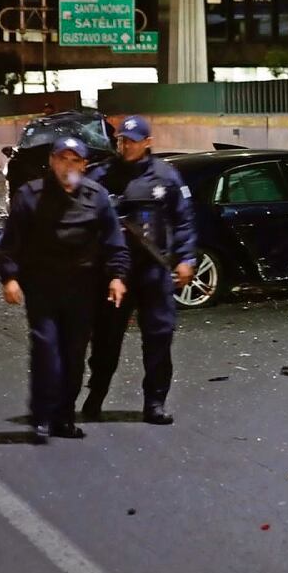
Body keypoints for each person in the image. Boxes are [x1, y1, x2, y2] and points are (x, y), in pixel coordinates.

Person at [0, 137, 129, 444]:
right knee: (46, 351)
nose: (67, 166)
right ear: (52, 162)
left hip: (81, 289)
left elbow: (114, 242)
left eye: (74, 160)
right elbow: (10, 243)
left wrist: (117, 276)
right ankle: (42, 416)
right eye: (62, 159)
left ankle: (63, 417)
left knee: (74, 355)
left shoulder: (96, 197)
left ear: (83, 165)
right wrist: (9, 277)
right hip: (42, 287)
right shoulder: (30, 196)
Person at [84, 116, 197, 425]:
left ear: (147, 143)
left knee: (159, 337)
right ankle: (96, 395)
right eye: (121, 140)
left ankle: (155, 403)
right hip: (114, 274)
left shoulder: (166, 176)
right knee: (106, 339)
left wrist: (186, 259)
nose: (125, 146)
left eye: (132, 141)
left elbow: (184, 220)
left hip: (153, 270)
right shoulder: (101, 175)